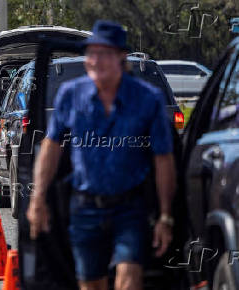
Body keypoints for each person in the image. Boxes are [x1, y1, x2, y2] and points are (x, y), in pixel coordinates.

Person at [27, 20, 176, 290]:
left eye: (104, 53)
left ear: (121, 57)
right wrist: (37, 198)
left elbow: (163, 158)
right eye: (91, 53)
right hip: (84, 207)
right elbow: (51, 147)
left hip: (130, 207)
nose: (95, 60)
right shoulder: (71, 94)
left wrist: (165, 216)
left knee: (129, 280)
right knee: (91, 284)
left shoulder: (148, 98)